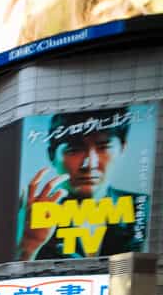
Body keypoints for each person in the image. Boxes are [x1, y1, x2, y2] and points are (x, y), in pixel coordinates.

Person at [17, 106, 149, 260]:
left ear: (122, 148)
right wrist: (27, 248)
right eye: (74, 149)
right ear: (52, 154)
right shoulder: (28, 218)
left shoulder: (145, 208)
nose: (89, 164)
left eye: (103, 147)